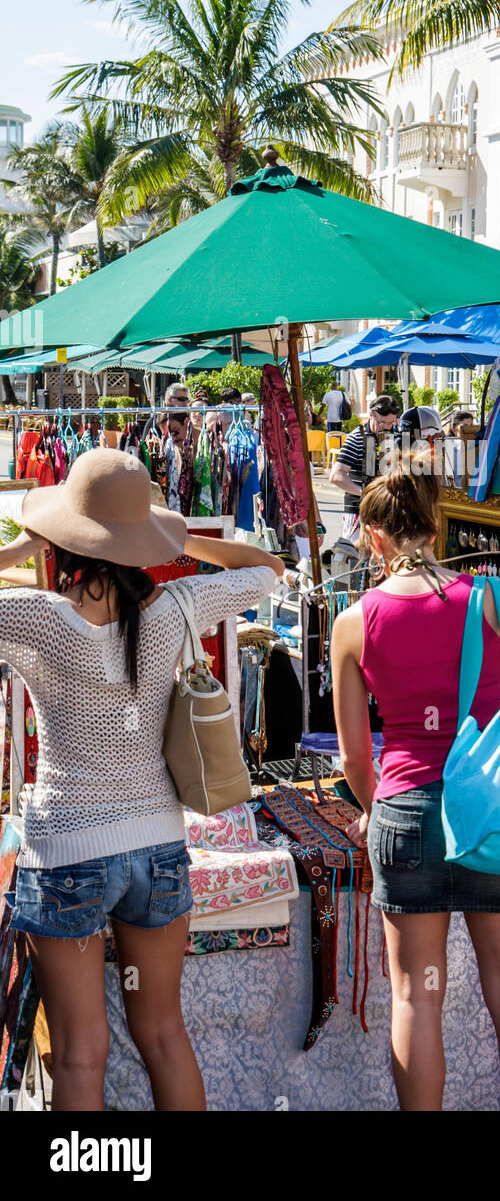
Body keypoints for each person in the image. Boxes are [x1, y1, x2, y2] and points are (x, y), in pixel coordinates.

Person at [1, 448, 283, 1111]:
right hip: (156, 850)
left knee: (78, 1053)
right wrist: (181, 540)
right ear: (136, 539)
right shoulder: (177, 606)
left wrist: (20, 550)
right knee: (161, 1033)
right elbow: (268, 570)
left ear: (65, 539)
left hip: (67, 851)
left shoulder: (39, 617)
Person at [331, 446, 500, 1111]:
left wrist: (377, 804)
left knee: (416, 997)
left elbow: (353, 759)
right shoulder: (492, 597)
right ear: (437, 528)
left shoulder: (354, 621)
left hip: (405, 810)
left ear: (375, 536)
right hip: (492, 808)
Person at [329, 394, 400, 545]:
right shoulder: (356, 437)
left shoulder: (396, 435)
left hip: (387, 511)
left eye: (391, 423)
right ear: (371, 416)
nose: (387, 427)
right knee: (356, 556)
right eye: (382, 423)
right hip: (358, 510)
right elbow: (336, 476)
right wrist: (367, 492)